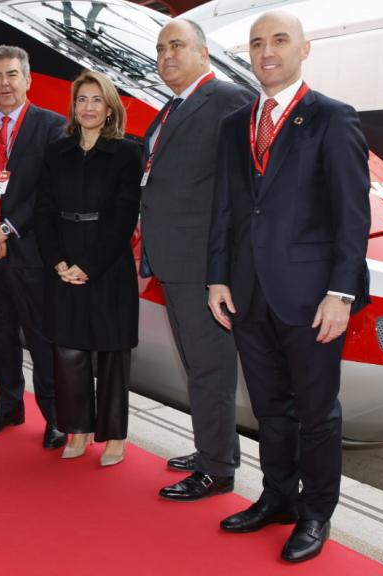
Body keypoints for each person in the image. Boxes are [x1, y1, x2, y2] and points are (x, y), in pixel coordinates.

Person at [206, 11, 371, 562]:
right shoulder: (236, 125)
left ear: (305, 49)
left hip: (312, 299)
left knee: (318, 412)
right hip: (249, 295)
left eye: (279, 41)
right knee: (270, 408)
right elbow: (226, 208)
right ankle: (277, 496)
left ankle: (316, 512)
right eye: (257, 44)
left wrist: (341, 293)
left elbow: (352, 216)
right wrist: (217, 277)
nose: (266, 51)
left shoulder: (332, 118)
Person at [141, 19, 254, 501]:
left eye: (178, 46)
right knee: (197, 368)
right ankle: (213, 448)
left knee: (209, 369)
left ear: (204, 53)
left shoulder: (227, 99)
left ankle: (218, 470)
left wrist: (222, 268)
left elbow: (241, 188)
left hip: (202, 266)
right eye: (162, 47)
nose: (167, 55)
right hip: (174, 262)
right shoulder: (172, 106)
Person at [0, 46, 67, 448]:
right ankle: (7, 407)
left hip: (31, 253)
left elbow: (48, 192)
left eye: (12, 75)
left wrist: (4, 229)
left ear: (28, 80)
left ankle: (55, 418)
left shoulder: (52, 127)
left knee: (42, 339)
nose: (4, 83)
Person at [34, 71, 142, 467]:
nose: (89, 107)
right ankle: (77, 428)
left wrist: (89, 265)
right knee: (68, 351)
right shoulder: (56, 152)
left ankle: (114, 435)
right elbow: (42, 212)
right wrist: (57, 261)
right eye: (82, 100)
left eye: (97, 100)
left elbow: (123, 217)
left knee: (112, 351)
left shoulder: (129, 152)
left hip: (107, 264)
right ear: (73, 106)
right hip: (63, 261)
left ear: (110, 106)